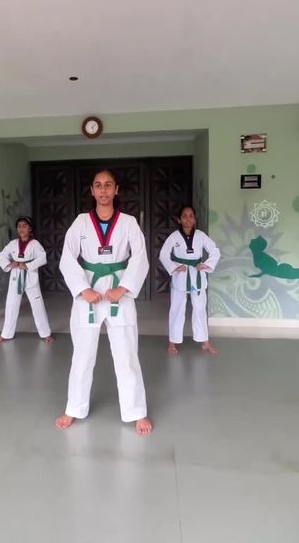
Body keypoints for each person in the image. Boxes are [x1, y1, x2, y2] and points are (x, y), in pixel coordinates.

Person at [55, 170, 153, 435]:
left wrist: (124, 287)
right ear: (92, 190)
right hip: (88, 293)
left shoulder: (129, 223)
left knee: (127, 355)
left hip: (119, 293)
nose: (103, 190)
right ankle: (74, 408)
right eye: (98, 185)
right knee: (82, 355)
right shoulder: (81, 222)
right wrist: (82, 289)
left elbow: (140, 257)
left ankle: (136, 411)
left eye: (108, 185)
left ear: (116, 189)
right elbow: (67, 257)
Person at [159, 205, 220, 356]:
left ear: (194, 219)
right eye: (184, 216)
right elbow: (163, 254)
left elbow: (215, 250)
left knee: (199, 308)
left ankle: (205, 341)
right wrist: (174, 267)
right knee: (177, 308)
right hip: (181, 274)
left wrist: (206, 265)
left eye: (191, 216)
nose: (188, 219)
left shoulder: (200, 235)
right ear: (179, 220)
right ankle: (172, 341)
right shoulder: (174, 236)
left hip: (197, 274)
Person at [0, 216, 53, 344]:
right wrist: (10, 264)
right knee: (11, 305)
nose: (21, 229)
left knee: (38, 305)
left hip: (30, 276)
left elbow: (42, 258)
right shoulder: (12, 244)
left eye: (24, 226)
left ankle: (45, 334)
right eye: (19, 226)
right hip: (16, 276)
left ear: (30, 228)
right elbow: (1, 256)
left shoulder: (35, 244)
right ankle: (6, 334)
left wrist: (27, 265)